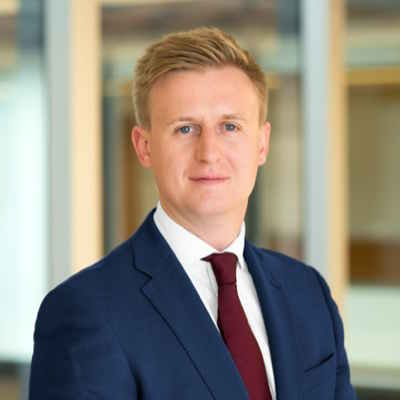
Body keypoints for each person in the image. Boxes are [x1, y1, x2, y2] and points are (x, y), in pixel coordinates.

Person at [29, 27, 357, 400]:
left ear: (261, 143)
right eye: (185, 129)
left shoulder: (308, 293)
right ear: (144, 146)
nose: (209, 152)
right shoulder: (86, 311)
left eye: (230, 126)